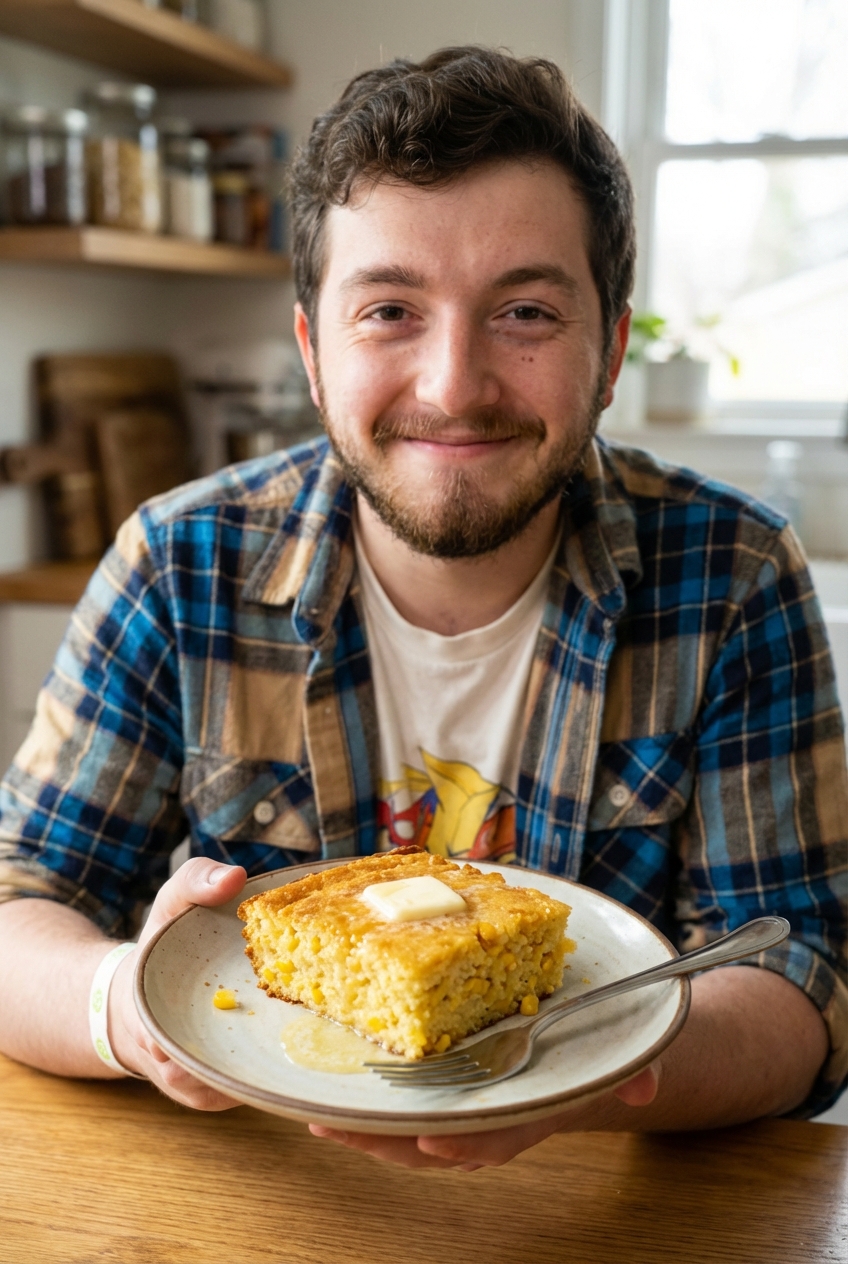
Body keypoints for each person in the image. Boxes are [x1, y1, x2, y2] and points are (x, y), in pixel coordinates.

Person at [0, 48, 845, 1170]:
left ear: (607, 356)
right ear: (312, 350)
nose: (452, 383)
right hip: (257, 1203)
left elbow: (805, 978)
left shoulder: (732, 570)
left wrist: (571, 1080)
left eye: (527, 311)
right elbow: (20, 906)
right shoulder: (176, 563)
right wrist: (133, 1011)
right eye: (390, 307)